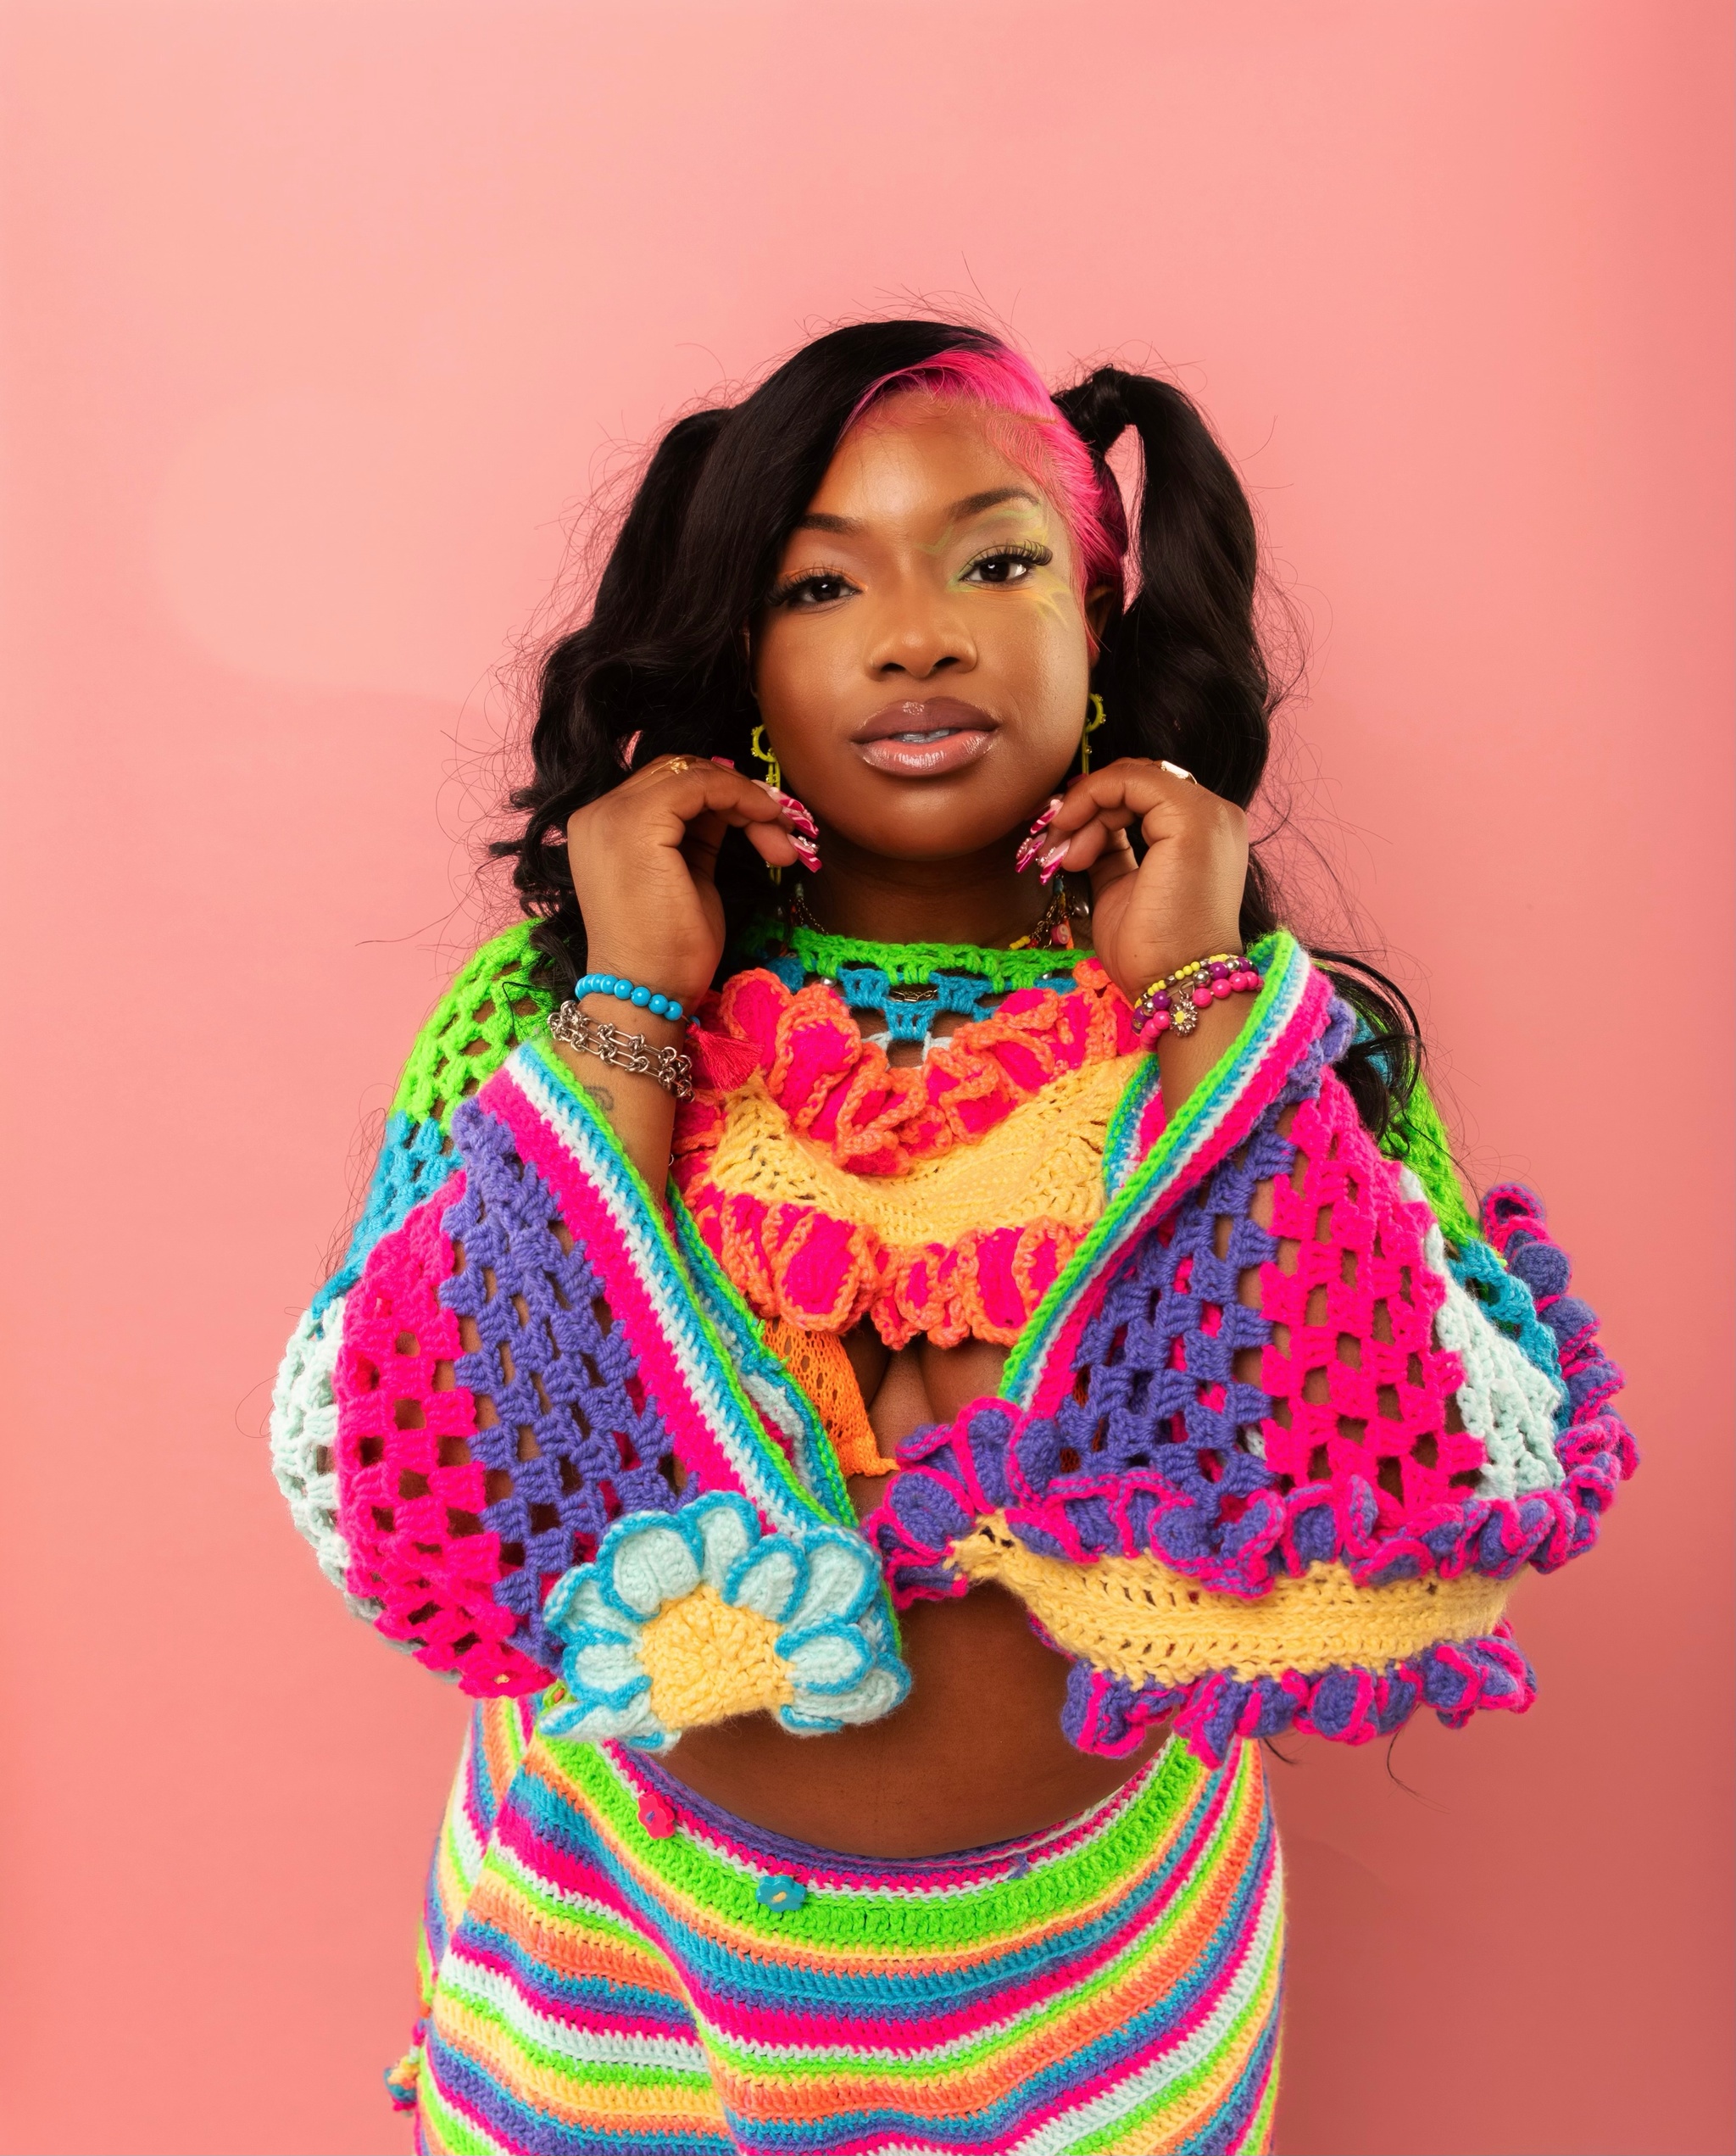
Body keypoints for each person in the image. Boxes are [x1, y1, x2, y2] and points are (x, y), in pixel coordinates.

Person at [271, 321, 1633, 2155]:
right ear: (742, 661)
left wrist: (1210, 1010)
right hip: (620, 1946)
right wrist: (632, 1008)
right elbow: (384, 1460)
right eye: (821, 582)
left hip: (1100, 1972)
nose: (917, 633)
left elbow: (1435, 1492)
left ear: (1100, 617)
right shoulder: (553, 1017)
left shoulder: (1275, 1040)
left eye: (994, 561)